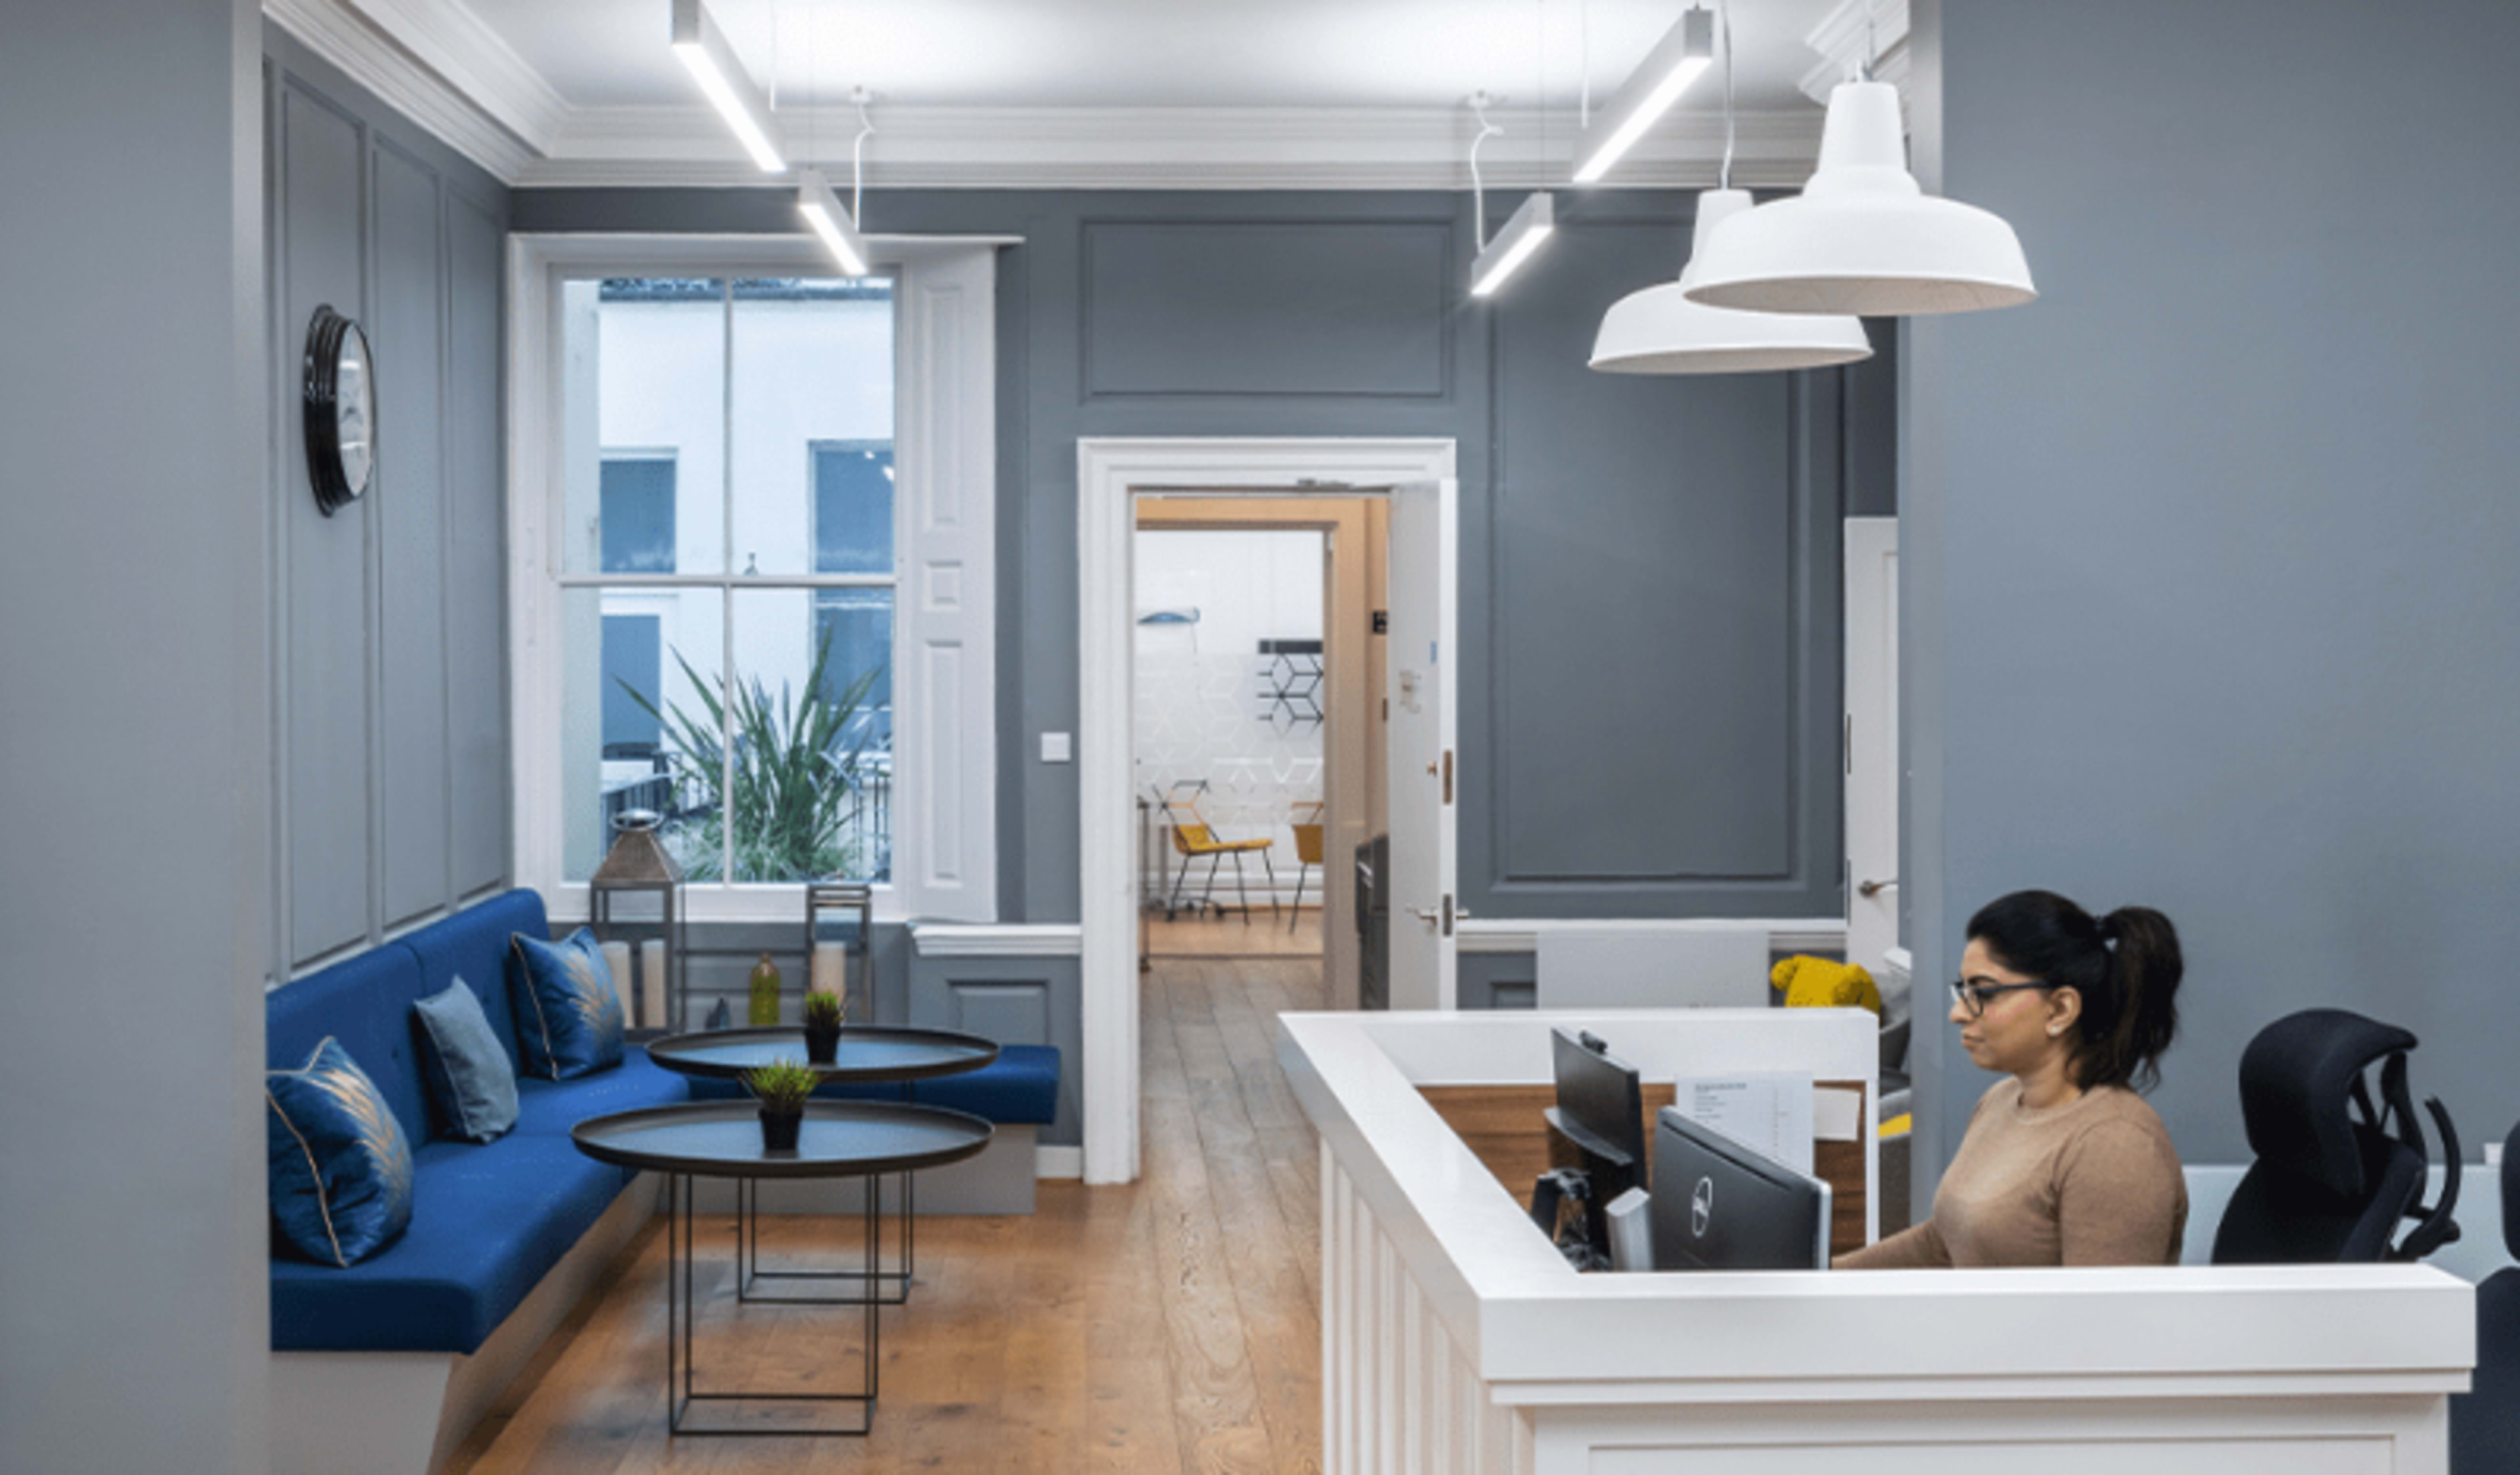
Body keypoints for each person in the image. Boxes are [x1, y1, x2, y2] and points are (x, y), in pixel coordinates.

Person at [1836, 889, 2187, 1268]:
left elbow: (2101, 1321)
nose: (1958, 1013)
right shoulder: (2001, 1100)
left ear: (2060, 1009)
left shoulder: (2115, 1145)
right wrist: (1820, 1277)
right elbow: (1944, 1242)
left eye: (1983, 992)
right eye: (1963, 990)